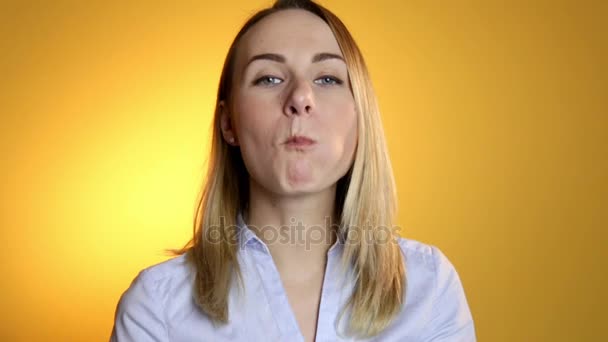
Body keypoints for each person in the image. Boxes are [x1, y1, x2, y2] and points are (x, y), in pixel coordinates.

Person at [110, 0, 476, 341]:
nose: (301, 97)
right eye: (268, 78)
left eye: (328, 78)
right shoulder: (155, 308)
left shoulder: (430, 289)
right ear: (229, 123)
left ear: (360, 117)